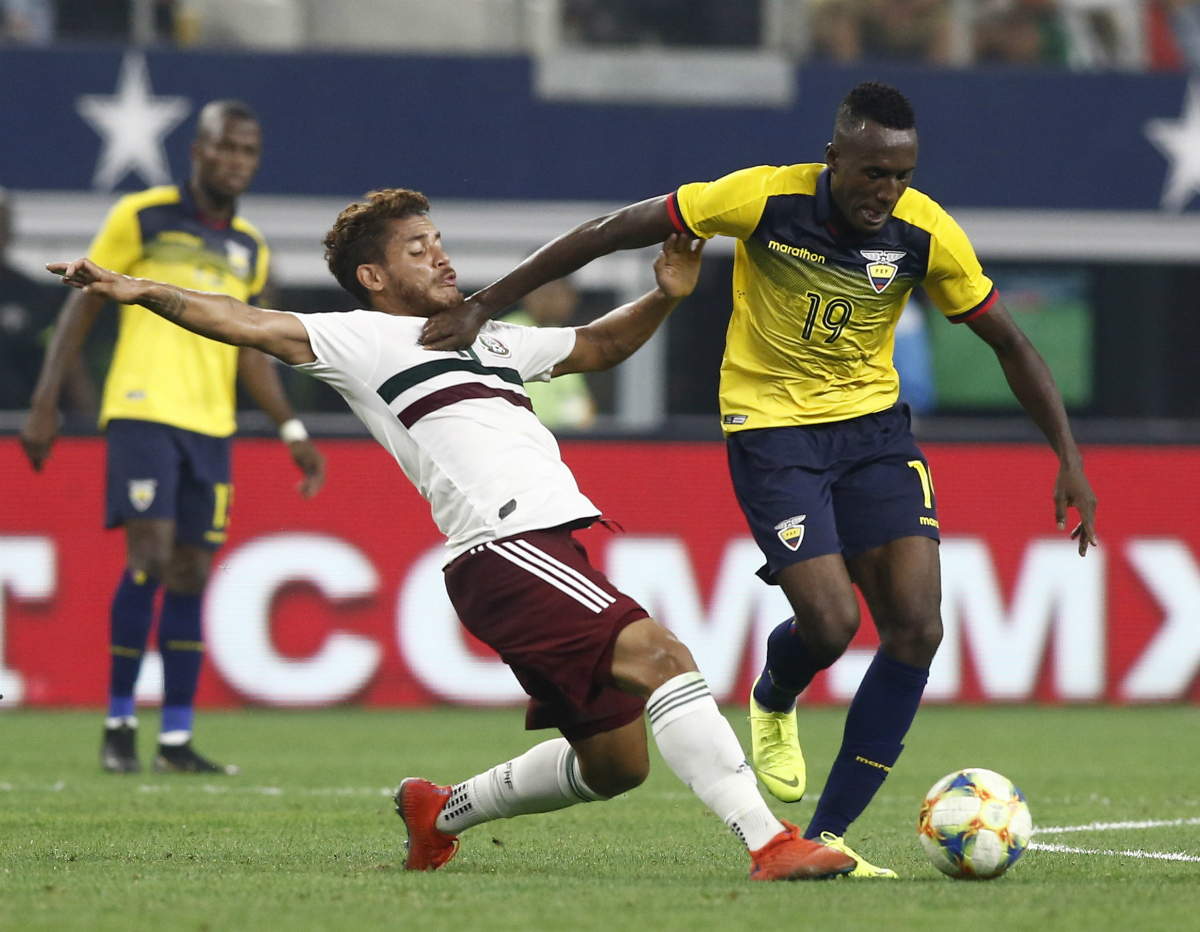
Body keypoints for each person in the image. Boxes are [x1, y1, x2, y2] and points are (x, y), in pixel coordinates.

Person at [46, 187, 859, 882]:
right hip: (506, 549)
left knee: (616, 766)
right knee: (666, 659)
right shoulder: (362, 339)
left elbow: (602, 344)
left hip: (543, 552)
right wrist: (135, 288)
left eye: (439, 241)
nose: (440, 257)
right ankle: (771, 843)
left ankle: (439, 812)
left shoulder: (490, 336)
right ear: (373, 277)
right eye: (416, 248)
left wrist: (667, 296)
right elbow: (237, 318)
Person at [416, 81, 1100, 878]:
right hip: (773, 431)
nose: (887, 191)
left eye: (901, 175)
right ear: (833, 158)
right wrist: (486, 303)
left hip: (874, 433)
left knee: (919, 626)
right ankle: (775, 693)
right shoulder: (763, 198)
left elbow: (1011, 344)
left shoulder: (926, 233)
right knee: (833, 624)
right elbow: (610, 230)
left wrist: (1070, 457)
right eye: (872, 173)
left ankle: (832, 833)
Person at [21, 100, 326, 775]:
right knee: (151, 557)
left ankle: (177, 741)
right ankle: (120, 726)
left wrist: (292, 427)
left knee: (190, 574)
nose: (235, 161)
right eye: (225, 147)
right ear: (198, 149)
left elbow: (252, 346)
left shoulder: (250, 246)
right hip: (141, 409)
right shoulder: (143, 215)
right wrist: (45, 402)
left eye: (248, 151)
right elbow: (85, 298)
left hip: (210, 426)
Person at [503, 277, 596, 429]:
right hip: (518, 439)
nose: (557, 302)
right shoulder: (508, 333)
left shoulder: (564, 337)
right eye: (549, 294)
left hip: (562, 442)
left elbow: (583, 407)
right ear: (528, 294)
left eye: (563, 295)